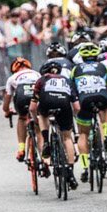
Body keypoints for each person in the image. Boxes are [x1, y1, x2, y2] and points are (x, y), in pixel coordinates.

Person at [71, 43, 107, 183]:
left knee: (83, 134)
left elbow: (72, 92)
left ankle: (85, 167)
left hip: (85, 101)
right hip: (101, 98)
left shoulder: (75, 69)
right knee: (106, 108)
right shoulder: (103, 67)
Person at [30, 60, 79, 189]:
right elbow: (77, 106)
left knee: (42, 115)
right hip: (64, 105)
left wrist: (36, 120)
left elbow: (32, 107)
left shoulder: (41, 80)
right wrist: (72, 116)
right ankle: (70, 171)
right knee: (67, 138)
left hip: (47, 103)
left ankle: (46, 141)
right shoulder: (67, 80)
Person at [2, 57, 41, 162]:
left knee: (22, 118)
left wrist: (7, 111)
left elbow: (7, 98)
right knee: (39, 121)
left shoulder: (12, 77)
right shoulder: (37, 74)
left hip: (22, 97)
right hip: (36, 96)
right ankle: (45, 154)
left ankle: (21, 149)